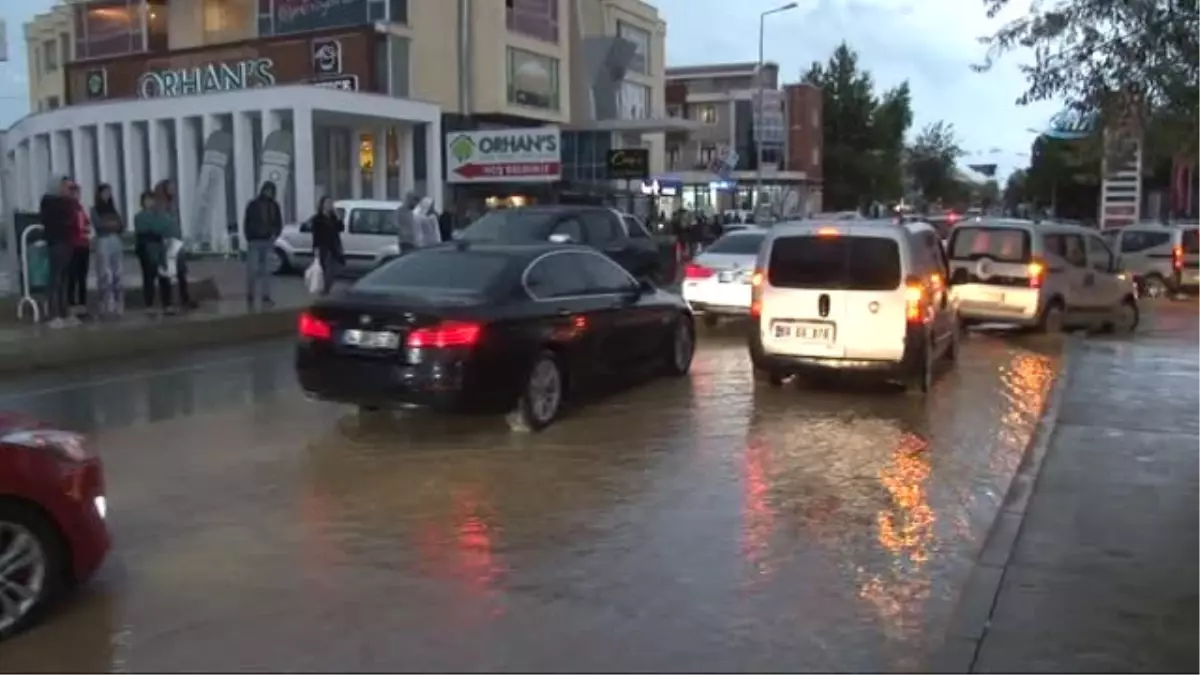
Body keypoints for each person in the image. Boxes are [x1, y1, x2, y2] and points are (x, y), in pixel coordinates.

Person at [39, 175, 76, 328]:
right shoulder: (49, 202)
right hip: (56, 243)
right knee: (56, 280)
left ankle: (64, 312)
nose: (68, 190)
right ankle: (54, 314)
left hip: (67, 242)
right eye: (66, 187)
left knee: (65, 280)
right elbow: (56, 222)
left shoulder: (67, 203)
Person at [154, 179, 196, 310]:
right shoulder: (158, 207)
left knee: (181, 271)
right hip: (166, 243)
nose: (173, 190)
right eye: (170, 187)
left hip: (177, 242)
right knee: (167, 273)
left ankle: (184, 298)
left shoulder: (173, 206)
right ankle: (167, 302)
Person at [243, 181, 283, 311]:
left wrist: (275, 234)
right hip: (255, 241)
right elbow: (247, 222)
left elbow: (278, 222)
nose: (269, 193)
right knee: (253, 270)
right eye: (267, 190)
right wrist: (249, 237)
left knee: (266, 270)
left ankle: (266, 296)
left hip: (267, 240)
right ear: (263, 190)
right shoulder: (253, 205)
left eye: (271, 191)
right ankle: (250, 294)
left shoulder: (274, 206)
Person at [133, 191, 174, 315]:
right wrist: (156, 228)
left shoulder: (160, 215)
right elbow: (145, 229)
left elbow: (165, 227)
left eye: (151, 200)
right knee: (148, 277)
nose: (149, 202)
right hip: (146, 248)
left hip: (160, 248)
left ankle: (167, 303)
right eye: (147, 200)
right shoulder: (139, 216)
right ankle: (149, 303)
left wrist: (156, 228)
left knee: (164, 277)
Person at [91, 183, 125, 319]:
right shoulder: (95, 209)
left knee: (118, 273)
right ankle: (105, 303)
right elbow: (99, 225)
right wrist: (112, 224)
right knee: (105, 273)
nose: (107, 195)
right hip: (103, 241)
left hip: (115, 240)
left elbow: (121, 225)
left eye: (108, 192)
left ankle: (118, 303)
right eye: (104, 192)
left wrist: (112, 225)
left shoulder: (113, 209)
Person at [65, 183, 92, 320]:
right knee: (72, 277)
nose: (77, 196)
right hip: (74, 245)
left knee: (82, 277)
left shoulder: (81, 209)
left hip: (83, 245)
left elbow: (86, 224)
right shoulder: (68, 209)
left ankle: (82, 305)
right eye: (74, 193)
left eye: (78, 193)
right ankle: (72, 305)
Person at [310, 196, 344, 295]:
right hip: (323, 247)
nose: (329, 205)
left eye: (331, 203)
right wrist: (316, 250)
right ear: (322, 205)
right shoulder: (317, 219)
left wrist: (338, 217)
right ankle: (325, 291)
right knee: (326, 270)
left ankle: (327, 289)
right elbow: (316, 235)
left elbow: (340, 228)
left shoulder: (333, 217)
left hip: (334, 246)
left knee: (335, 269)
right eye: (327, 203)